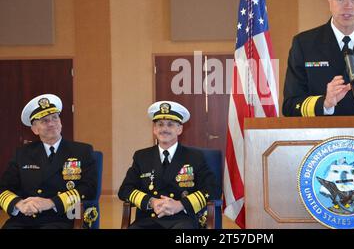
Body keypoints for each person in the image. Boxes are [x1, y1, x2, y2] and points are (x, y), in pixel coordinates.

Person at [0, 94, 97, 229]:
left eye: (55, 118)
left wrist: (51, 202)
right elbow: (4, 188)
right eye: (44, 121)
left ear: (61, 122)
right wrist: (19, 204)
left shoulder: (82, 151)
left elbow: (89, 188)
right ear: (35, 129)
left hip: (63, 217)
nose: (51, 123)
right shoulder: (22, 153)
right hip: (26, 218)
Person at [118, 101, 219, 229]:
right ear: (154, 129)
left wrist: (180, 205)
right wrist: (151, 202)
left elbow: (213, 188)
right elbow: (125, 190)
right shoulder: (141, 156)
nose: (164, 129)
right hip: (148, 219)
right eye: (160, 125)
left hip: (182, 219)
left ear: (179, 129)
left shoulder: (195, 156)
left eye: (170, 125)